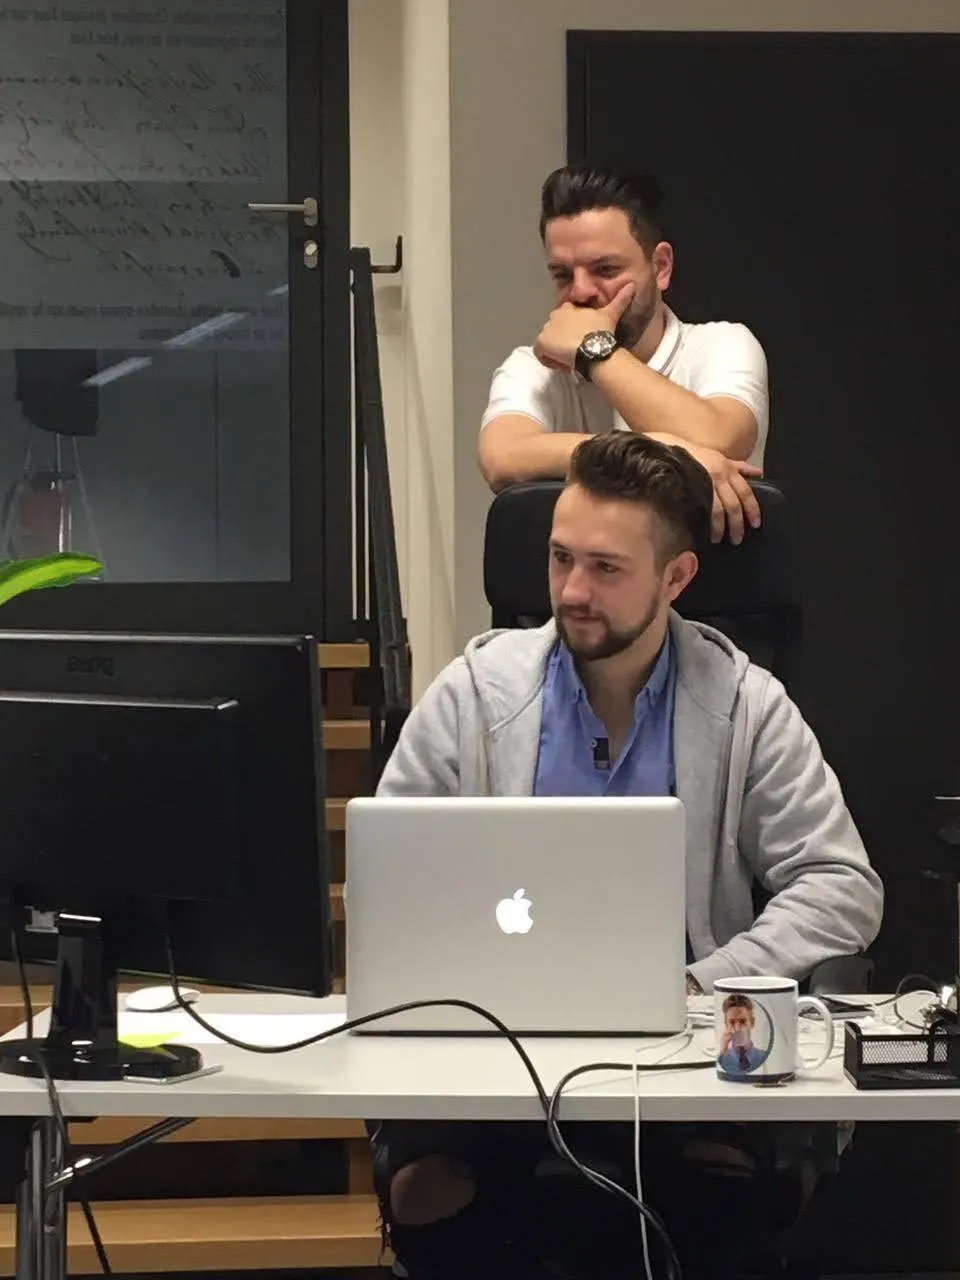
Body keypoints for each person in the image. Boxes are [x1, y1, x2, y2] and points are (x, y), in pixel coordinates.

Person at [369, 432, 883, 1279]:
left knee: (716, 1203)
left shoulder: (746, 705)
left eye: (606, 568)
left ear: (676, 578)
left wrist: (706, 981)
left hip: (683, 1065)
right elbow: (390, 873)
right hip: (493, 1056)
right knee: (431, 1193)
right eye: (560, 559)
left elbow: (840, 886)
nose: (573, 591)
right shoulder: (474, 693)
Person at [477, 164, 770, 545]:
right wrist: (671, 449)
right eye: (562, 274)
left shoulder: (722, 344)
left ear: (660, 267)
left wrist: (593, 350)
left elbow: (719, 442)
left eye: (605, 269)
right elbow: (502, 458)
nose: (580, 292)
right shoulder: (533, 366)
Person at [718, 993, 769, 1075]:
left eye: (742, 1021)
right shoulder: (722, 1059)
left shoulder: (765, 1058)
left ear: (752, 1022)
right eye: (732, 1022)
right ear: (726, 1024)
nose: (737, 1028)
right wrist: (723, 1051)